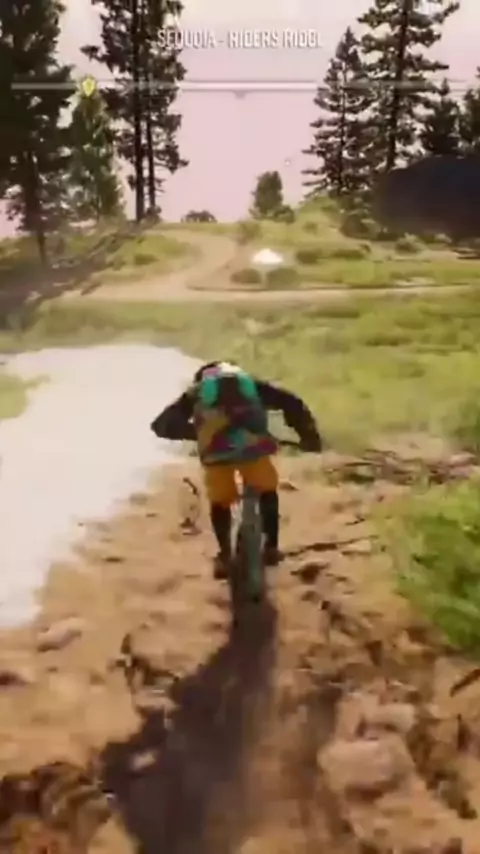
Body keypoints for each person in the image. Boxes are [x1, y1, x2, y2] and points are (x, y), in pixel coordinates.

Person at [150, 360, 322, 578]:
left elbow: (161, 425)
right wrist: (309, 438)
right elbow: (292, 403)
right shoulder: (250, 384)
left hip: (216, 453)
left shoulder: (197, 391)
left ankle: (224, 555)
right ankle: (271, 547)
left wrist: (199, 433)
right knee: (267, 490)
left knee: (220, 501)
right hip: (254, 448)